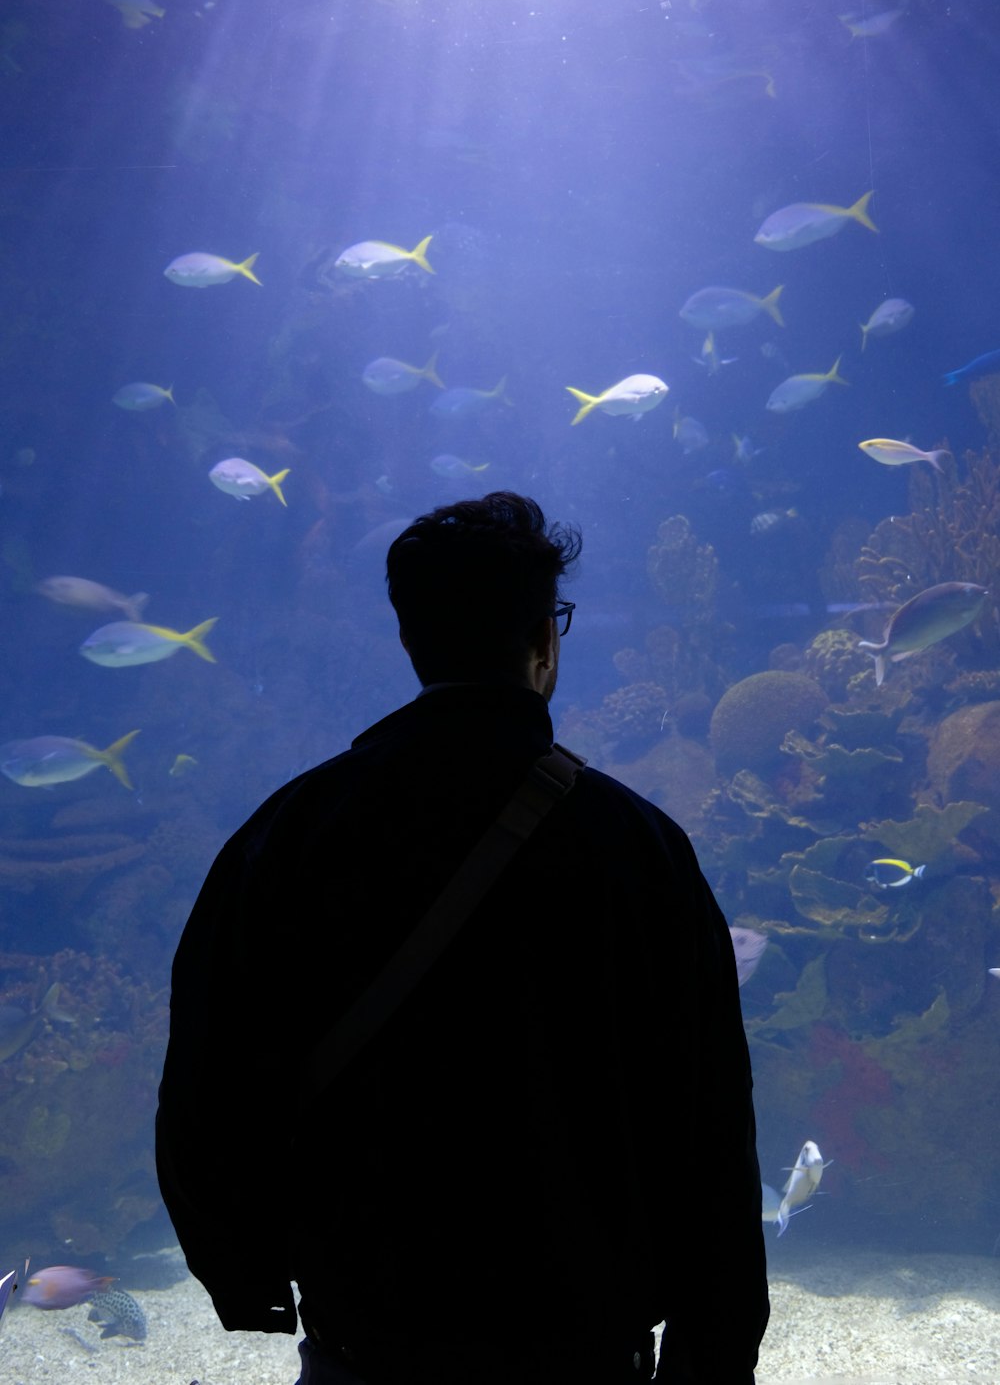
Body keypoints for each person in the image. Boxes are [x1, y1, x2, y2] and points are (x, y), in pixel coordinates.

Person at [156, 491, 769, 1385]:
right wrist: (712, 1351)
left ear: (409, 637)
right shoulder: (637, 846)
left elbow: (206, 1077)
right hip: (582, 1345)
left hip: (368, 1333)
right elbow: (712, 1117)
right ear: (545, 641)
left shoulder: (291, 832)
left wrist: (242, 1273)